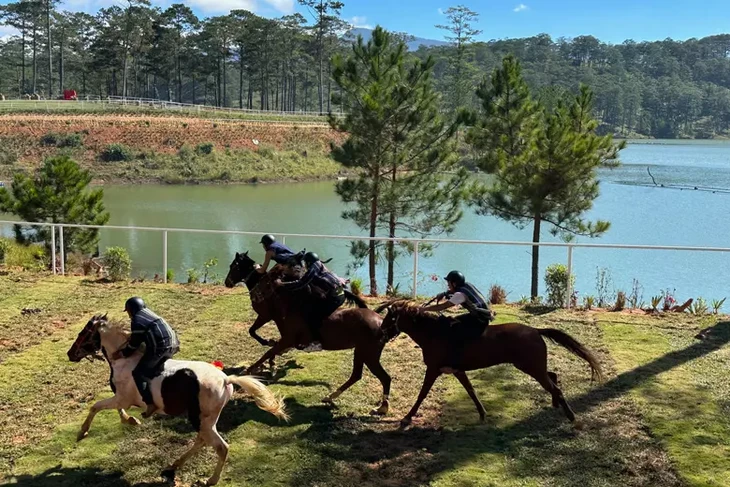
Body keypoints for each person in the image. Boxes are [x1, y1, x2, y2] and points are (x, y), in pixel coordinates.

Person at [112, 297, 180, 416]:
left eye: (128, 312)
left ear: (131, 310)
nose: (128, 315)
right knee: (154, 370)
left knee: (139, 373)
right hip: (173, 344)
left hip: (160, 347)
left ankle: (150, 403)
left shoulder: (137, 320)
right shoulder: (149, 314)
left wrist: (122, 354)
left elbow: (134, 344)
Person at [421, 270, 492, 370]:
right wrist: (444, 293)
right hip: (479, 315)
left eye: (449, 283)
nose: (448, 285)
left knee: (454, 333)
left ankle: (456, 362)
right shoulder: (466, 285)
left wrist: (424, 309)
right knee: (454, 320)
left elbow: (443, 306)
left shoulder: (460, 295)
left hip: (479, 320)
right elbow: (452, 292)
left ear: (454, 283)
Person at [275, 251, 346, 351]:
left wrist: (282, 284)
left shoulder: (312, 269)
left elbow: (301, 283)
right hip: (341, 294)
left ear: (308, 262)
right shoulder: (320, 265)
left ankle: (316, 342)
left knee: (312, 315)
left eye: (305, 263)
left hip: (334, 299)